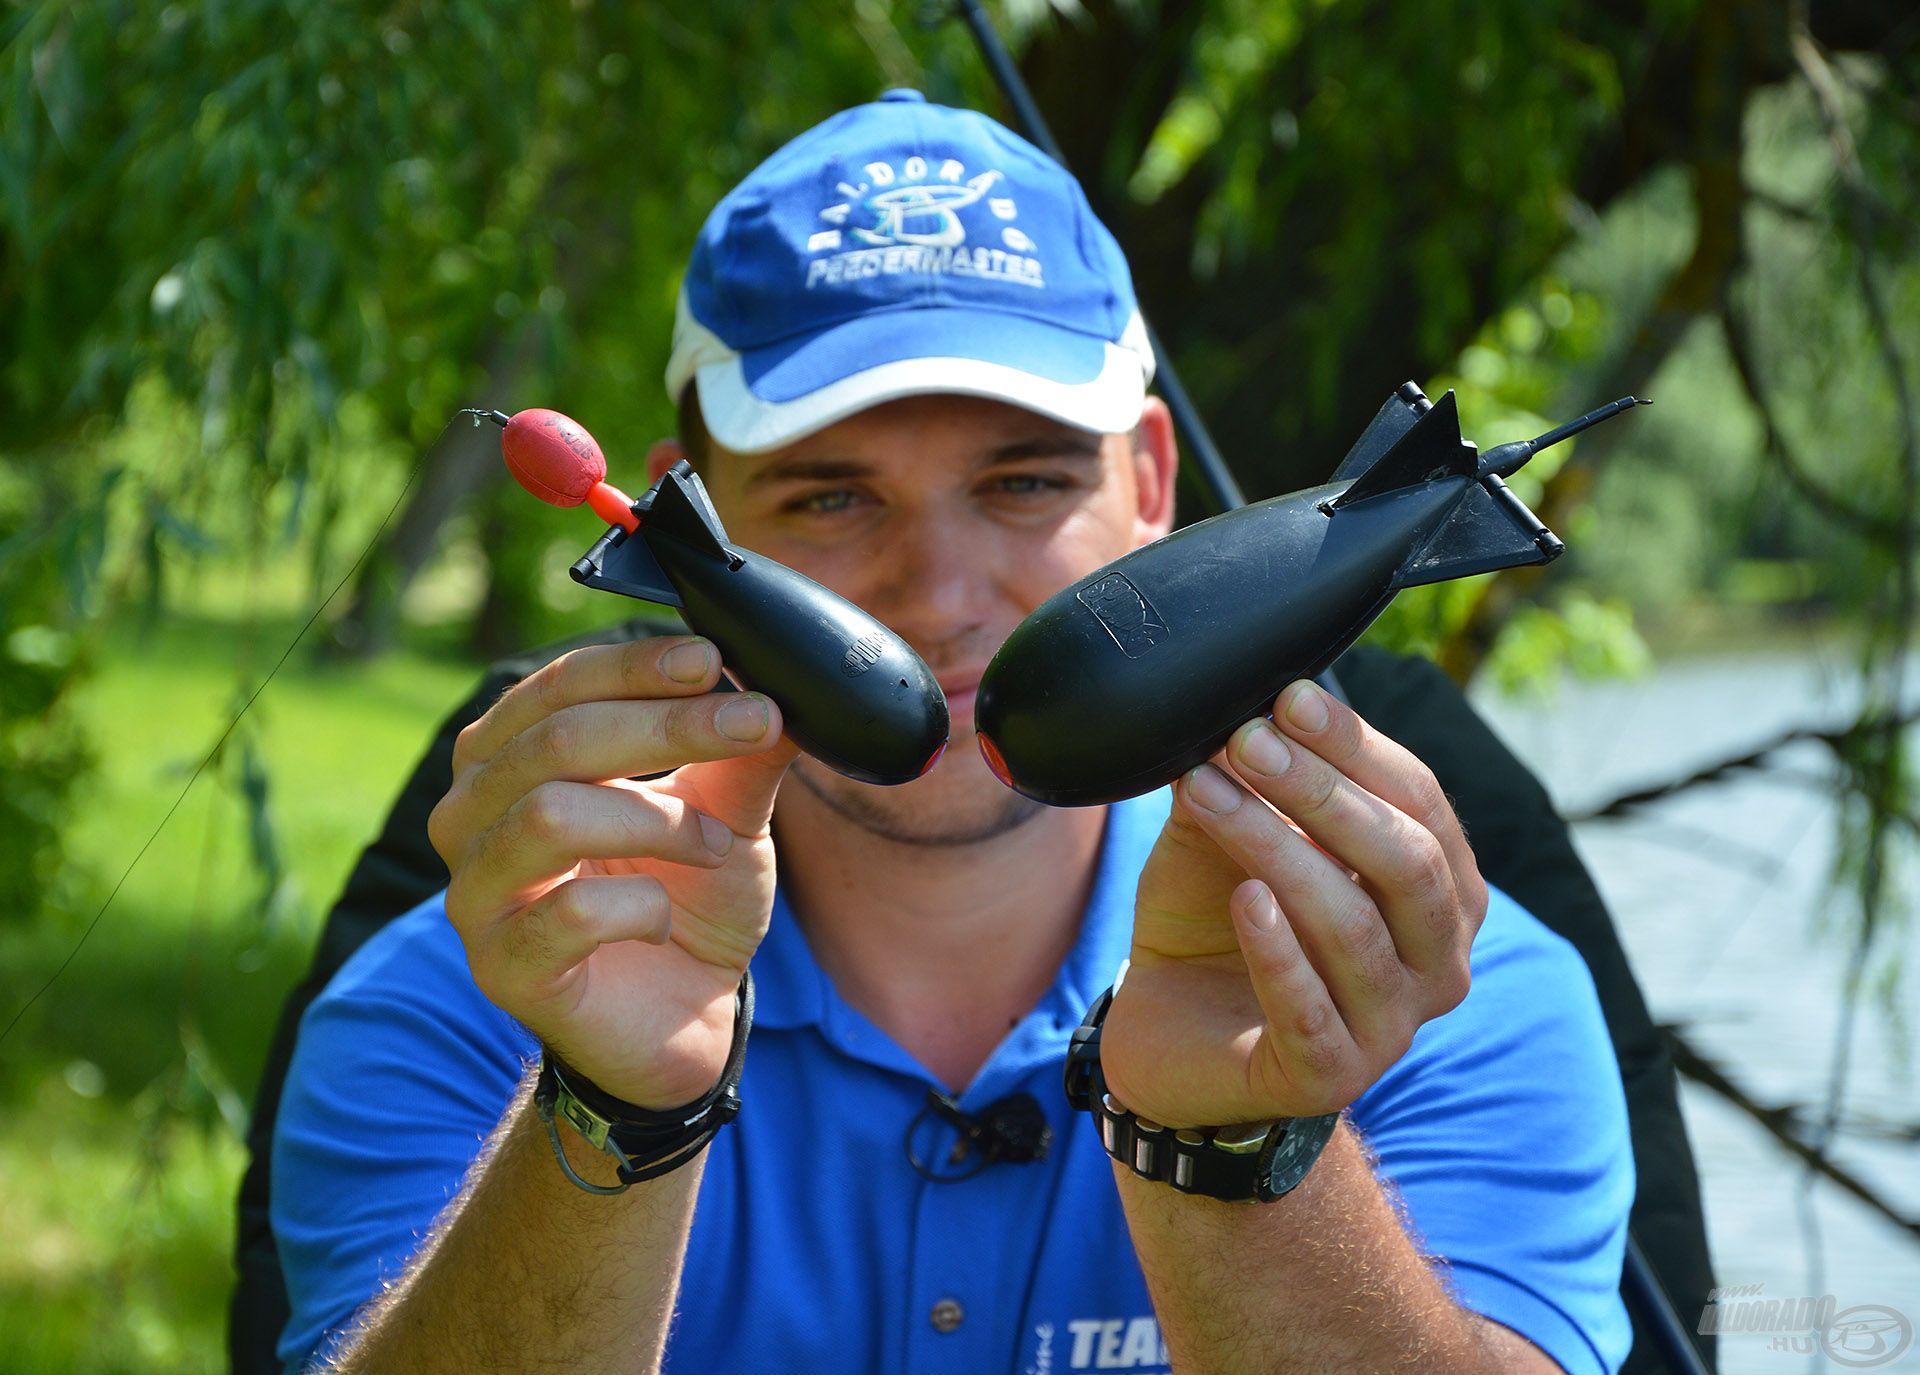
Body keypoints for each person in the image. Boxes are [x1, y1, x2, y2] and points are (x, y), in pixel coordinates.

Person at [265, 91, 1643, 1374]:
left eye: (1027, 480)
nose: (940, 592)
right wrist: (608, 1115)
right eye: (828, 500)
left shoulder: (1423, 981)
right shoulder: (476, 988)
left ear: (1153, 482)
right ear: (693, 521)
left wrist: (1231, 1145)